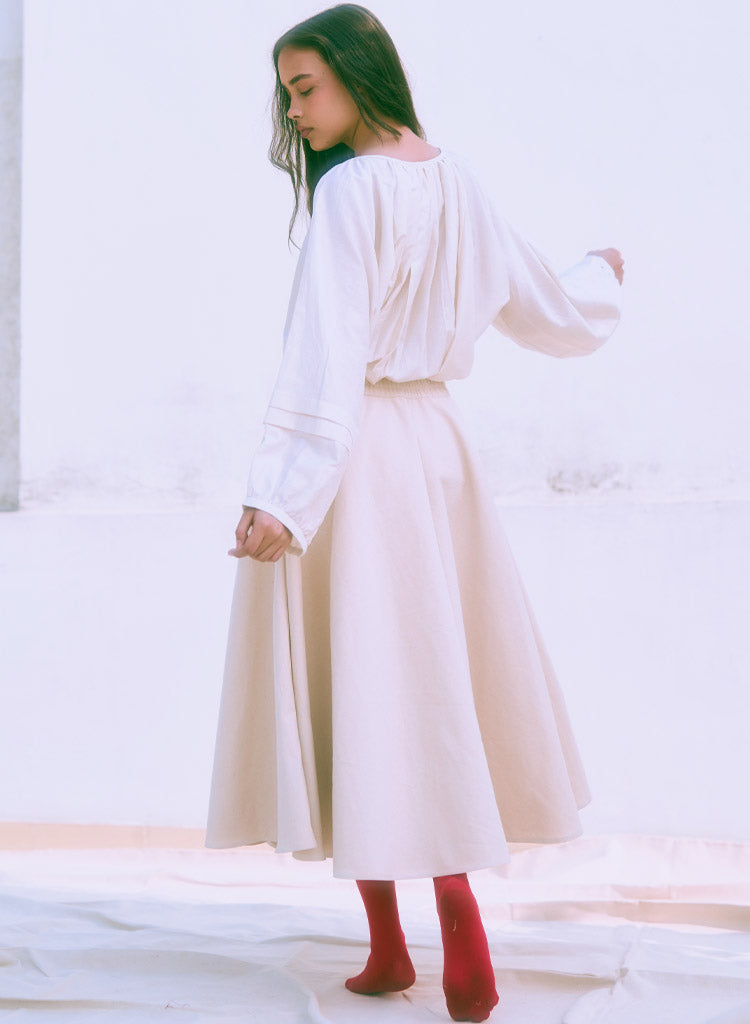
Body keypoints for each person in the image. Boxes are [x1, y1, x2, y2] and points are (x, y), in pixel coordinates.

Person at [205, 5, 624, 1022]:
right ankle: (435, 926)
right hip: (437, 450)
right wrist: (598, 283)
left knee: (364, 686)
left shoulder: (349, 192)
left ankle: (399, 936)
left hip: (356, 455)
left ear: (358, 74)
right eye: (286, 92)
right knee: (431, 685)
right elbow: (539, 305)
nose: (292, 110)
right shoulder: (459, 179)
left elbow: (326, 350)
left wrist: (281, 496)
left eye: (305, 87)